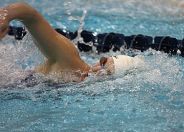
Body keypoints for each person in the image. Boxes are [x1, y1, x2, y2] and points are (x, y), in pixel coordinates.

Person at [0, 3, 144, 82]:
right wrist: (5, 16)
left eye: (107, 73)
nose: (99, 70)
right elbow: (29, 14)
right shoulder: (71, 60)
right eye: (102, 62)